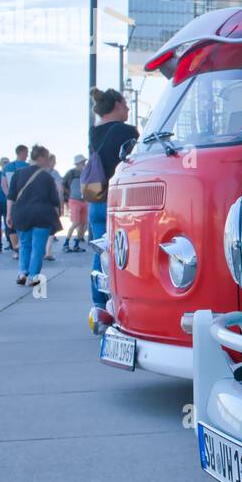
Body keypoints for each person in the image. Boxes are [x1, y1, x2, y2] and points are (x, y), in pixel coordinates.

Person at [87, 88, 138, 315]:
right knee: (126, 253)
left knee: (100, 253)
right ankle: (123, 305)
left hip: (96, 199)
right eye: (125, 104)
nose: (127, 109)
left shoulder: (94, 133)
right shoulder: (127, 131)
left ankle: (99, 306)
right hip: (119, 201)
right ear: (117, 104)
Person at [6, 144, 61, 287]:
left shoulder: (18, 173)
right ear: (41, 157)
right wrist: (57, 216)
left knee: (24, 244)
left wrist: (8, 215)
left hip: (22, 214)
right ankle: (33, 276)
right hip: (42, 215)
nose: (48, 161)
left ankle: (22, 273)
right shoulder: (47, 177)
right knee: (38, 246)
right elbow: (54, 200)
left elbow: (11, 196)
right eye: (47, 158)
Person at [2, 145, 29, 255]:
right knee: (24, 223)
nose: (27, 155)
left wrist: (9, 196)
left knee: (11, 224)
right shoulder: (28, 167)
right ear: (22, 153)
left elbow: (3, 185)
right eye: (26, 153)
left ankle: (15, 251)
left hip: (11, 200)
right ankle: (22, 247)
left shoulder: (7, 167)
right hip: (25, 200)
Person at [62, 154, 88, 253]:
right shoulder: (71, 173)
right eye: (82, 163)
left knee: (83, 223)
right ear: (77, 164)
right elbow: (63, 184)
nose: (84, 164)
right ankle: (66, 242)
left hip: (84, 200)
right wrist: (69, 194)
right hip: (75, 200)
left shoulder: (85, 172)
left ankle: (77, 243)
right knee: (76, 222)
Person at [42, 151, 63, 262]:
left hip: (39, 203)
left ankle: (44, 250)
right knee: (51, 227)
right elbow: (59, 188)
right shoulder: (54, 173)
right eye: (54, 161)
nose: (55, 163)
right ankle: (48, 251)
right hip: (51, 203)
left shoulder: (40, 172)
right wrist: (61, 202)